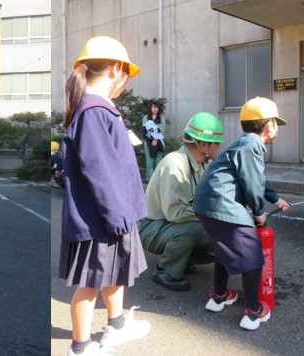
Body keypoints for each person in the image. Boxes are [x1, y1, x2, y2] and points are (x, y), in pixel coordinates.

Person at [59, 36, 151, 356]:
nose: (125, 82)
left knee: (115, 271)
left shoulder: (95, 109)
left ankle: (116, 326)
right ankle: (80, 348)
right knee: (90, 283)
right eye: (125, 75)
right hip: (101, 217)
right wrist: (118, 216)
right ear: (114, 71)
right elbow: (99, 169)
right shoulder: (93, 111)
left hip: (108, 214)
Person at [193, 97, 291, 331]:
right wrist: (259, 213)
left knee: (223, 250)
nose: (277, 129)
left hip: (206, 204)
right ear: (269, 125)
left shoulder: (244, 143)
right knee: (252, 256)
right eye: (276, 123)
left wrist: (276, 199)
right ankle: (253, 313)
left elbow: (258, 179)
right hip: (222, 205)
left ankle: (219, 296)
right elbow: (252, 183)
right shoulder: (252, 145)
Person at [138, 113, 224, 292]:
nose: (219, 146)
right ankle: (165, 271)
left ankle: (180, 260)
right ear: (204, 145)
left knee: (221, 242)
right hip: (151, 227)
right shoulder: (174, 164)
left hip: (169, 225)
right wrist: (213, 215)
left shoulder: (201, 163)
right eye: (217, 142)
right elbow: (175, 214)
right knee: (196, 228)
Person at [142, 102, 166, 181]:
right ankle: (150, 180)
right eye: (153, 107)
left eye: (156, 107)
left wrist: (155, 139)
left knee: (158, 162)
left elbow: (162, 128)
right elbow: (146, 129)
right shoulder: (146, 118)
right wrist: (155, 129)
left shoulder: (161, 118)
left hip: (159, 142)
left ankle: (157, 181)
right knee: (149, 162)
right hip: (148, 142)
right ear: (150, 108)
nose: (155, 109)